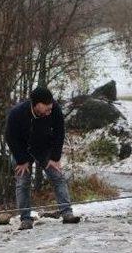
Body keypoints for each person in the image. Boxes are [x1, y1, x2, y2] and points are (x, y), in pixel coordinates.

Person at [5, 87, 80, 230]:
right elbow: (10, 137)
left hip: (44, 147)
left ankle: (67, 213)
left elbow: (60, 132)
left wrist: (55, 157)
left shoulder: (55, 109)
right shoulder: (16, 113)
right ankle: (26, 219)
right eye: (47, 107)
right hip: (22, 149)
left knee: (57, 177)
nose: (50, 110)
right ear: (37, 104)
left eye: (51, 106)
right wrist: (21, 160)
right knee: (23, 182)